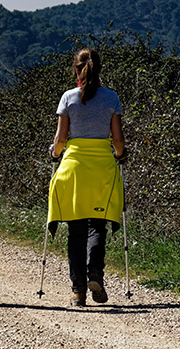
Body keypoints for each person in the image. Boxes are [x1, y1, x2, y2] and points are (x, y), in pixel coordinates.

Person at [47, 48, 126, 307]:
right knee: (97, 226)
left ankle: (78, 292)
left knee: (76, 231)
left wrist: (54, 152)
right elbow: (117, 140)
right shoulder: (111, 98)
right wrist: (121, 155)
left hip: (74, 169)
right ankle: (95, 275)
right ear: (100, 69)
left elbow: (60, 140)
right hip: (102, 168)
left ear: (76, 69)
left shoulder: (68, 98)